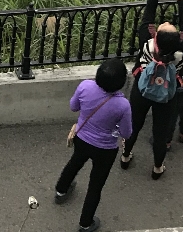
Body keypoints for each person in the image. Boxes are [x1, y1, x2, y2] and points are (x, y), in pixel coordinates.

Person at [120, 0, 183, 179]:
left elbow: (149, 12)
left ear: (157, 37)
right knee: (161, 132)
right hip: (167, 92)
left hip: (142, 88)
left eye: (164, 26)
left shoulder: (147, 42)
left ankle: (125, 157)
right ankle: (157, 168)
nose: (165, 22)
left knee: (134, 124)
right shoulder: (182, 50)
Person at [54, 58, 133, 232]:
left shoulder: (85, 86)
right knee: (95, 185)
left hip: (82, 137)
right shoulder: (123, 105)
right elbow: (126, 133)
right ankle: (85, 223)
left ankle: (61, 190)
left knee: (75, 162)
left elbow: (73, 106)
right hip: (105, 149)